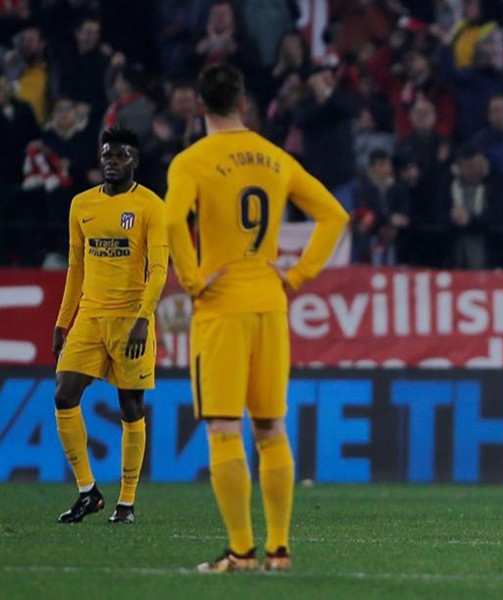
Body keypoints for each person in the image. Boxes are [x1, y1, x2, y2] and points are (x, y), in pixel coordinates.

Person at [165, 64, 348, 573]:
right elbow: (335, 214)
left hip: (222, 306)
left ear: (200, 106)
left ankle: (242, 552)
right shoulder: (274, 157)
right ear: (243, 105)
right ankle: (280, 549)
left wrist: (193, 280)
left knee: (224, 428)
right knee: (271, 428)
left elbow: (171, 219)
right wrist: (297, 275)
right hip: (271, 301)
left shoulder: (191, 161)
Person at [52, 126, 168, 525]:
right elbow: (76, 267)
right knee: (64, 395)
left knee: (130, 406)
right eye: (106, 155)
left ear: (134, 161)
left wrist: (143, 318)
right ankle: (88, 491)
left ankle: (127, 501)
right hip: (89, 316)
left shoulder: (152, 207)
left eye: (119, 156)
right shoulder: (81, 204)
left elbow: (158, 270)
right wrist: (62, 320)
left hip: (130, 318)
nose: (111, 162)